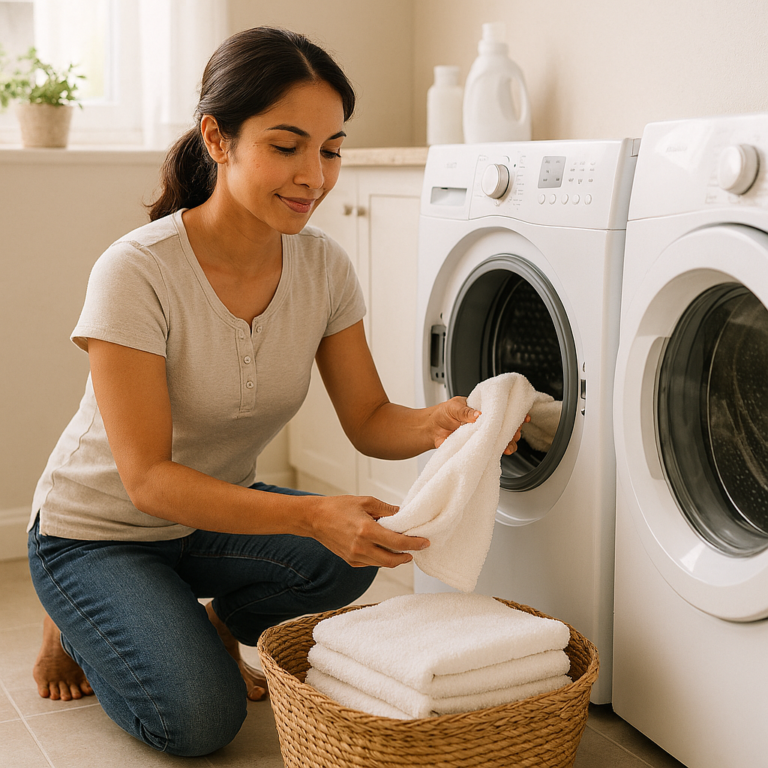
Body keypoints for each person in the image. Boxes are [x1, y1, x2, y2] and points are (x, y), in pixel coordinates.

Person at [27, 26, 524, 757]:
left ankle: (213, 623)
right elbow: (147, 481)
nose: (316, 177)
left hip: (207, 521)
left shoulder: (324, 268)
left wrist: (450, 424)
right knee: (199, 722)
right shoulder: (136, 271)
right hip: (99, 534)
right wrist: (313, 513)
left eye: (330, 148)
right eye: (286, 146)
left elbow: (370, 419)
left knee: (364, 543)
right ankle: (73, 611)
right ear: (218, 140)